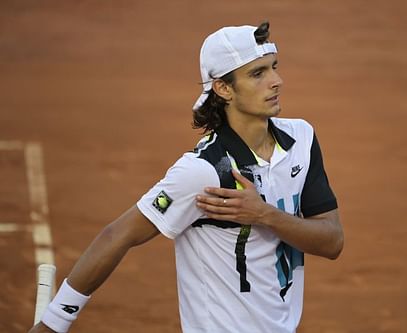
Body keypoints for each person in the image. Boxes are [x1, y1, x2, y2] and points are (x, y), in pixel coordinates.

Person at [29, 21, 344, 333]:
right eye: (258, 74)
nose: (276, 81)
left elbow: (332, 241)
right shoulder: (203, 171)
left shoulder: (301, 138)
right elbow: (118, 234)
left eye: (274, 67)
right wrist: (55, 322)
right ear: (223, 88)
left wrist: (264, 215)